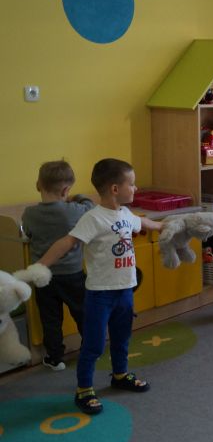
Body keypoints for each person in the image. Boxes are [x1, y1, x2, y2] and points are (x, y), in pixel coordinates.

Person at [37, 159, 164, 415]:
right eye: (132, 184)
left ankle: (120, 374)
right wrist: (39, 267)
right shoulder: (93, 218)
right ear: (115, 189)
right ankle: (84, 388)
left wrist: (168, 225)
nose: (136, 188)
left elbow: (144, 223)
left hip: (125, 290)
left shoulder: (126, 214)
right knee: (94, 344)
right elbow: (67, 243)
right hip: (100, 294)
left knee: (122, 337)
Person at [22, 160, 95, 371]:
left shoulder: (29, 213)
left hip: (43, 276)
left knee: (50, 319)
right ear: (65, 190)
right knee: (83, 313)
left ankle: (55, 357)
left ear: (38, 185)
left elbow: (27, 232)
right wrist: (78, 196)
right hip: (72, 274)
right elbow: (90, 206)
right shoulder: (75, 210)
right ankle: (90, 348)